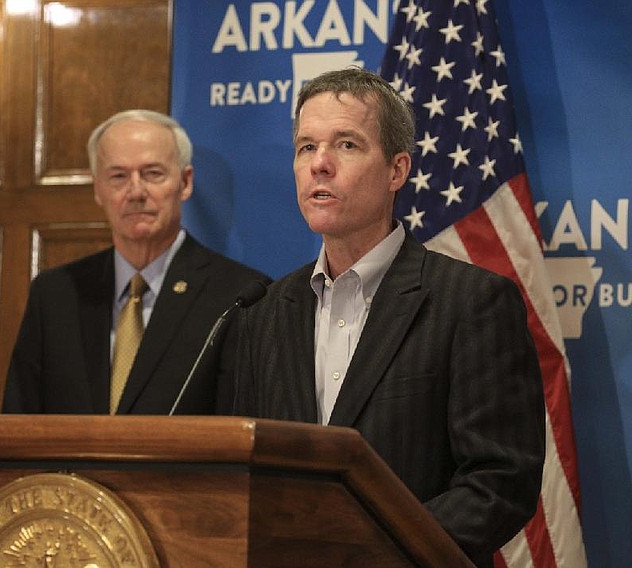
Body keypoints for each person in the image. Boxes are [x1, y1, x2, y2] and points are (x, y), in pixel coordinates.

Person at [232, 68, 544, 566]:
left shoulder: (471, 303)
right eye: (306, 147)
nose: (320, 165)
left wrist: (368, 552)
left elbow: (500, 481)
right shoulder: (264, 313)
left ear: (397, 170)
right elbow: (243, 476)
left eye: (347, 145)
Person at [3, 109, 268, 415]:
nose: (136, 192)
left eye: (152, 173)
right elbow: (18, 420)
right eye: (118, 176)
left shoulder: (239, 299)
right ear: (97, 189)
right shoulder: (55, 295)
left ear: (185, 182)